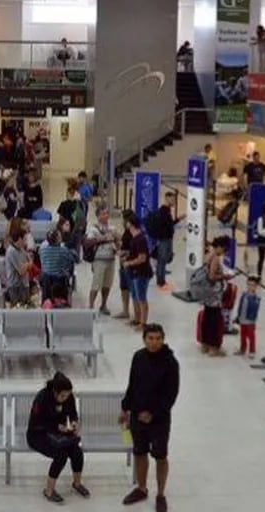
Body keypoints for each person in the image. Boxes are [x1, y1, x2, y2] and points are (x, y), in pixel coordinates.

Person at [120, 324, 180, 512]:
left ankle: (160, 494)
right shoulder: (138, 357)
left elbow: (171, 394)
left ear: (163, 339)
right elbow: (132, 384)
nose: (154, 342)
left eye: (157, 338)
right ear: (144, 339)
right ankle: (141, 488)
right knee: (139, 452)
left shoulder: (170, 362)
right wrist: (125, 407)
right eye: (150, 338)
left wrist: (153, 413)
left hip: (159, 419)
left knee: (160, 456)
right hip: (137, 416)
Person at [27, 372, 90, 503]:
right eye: (63, 395)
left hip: (58, 434)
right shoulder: (42, 398)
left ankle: (77, 484)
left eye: (68, 395)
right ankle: (49, 490)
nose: (66, 398)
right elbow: (36, 422)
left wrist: (74, 423)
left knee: (77, 452)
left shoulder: (68, 397)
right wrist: (57, 427)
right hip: (38, 435)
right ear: (55, 392)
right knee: (60, 455)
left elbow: (73, 413)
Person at [85, 205, 118, 314]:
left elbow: (118, 242)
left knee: (107, 284)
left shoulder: (112, 228)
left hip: (111, 259)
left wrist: (117, 239)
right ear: (98, 216)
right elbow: (88, 242)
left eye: (107, 213)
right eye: (103, 214)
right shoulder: (93, 228)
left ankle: (104, 305)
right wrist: (102, 238)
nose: (105, 216)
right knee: (96, 284)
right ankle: (90, 306)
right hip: (99, 259)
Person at [124, 215, 154, 329]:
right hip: (135, 272)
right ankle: (137, 319)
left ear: (130, 224)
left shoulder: (140, 239)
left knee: (141, 298)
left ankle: (143, 323)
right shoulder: (135, 238)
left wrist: (129, 263)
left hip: (141, 272)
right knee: (136, 296)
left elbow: (142, 258)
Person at [149, 192, 179, 291]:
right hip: (164, 239)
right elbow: (165, 226)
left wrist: (178, 220)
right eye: (172, 199)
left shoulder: (167, 211)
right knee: (161, 260)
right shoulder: (163, 212)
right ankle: (160, 281)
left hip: (167, 238)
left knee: (164, 259)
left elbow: (169, 224)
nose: (174, 201)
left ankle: (162, 280)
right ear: (167, 198)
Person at [40, 228, 78, 301]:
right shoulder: (63, 250)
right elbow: (74, 259)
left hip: (46, 279)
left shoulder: (43, 248)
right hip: (59, 279)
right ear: (57, 240)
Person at [5, 226, 33, 307]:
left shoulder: (22, 249)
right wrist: (27, 264)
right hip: (15, 287)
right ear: (19, 239)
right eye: (24, 239)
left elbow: (31, 263)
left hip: (24, 284)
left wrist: (26, 265)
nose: (26, 241)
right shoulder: (12, 251)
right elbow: (21, 271)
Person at [236, 276, 261, 357]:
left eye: (253, 285)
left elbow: (255, 309)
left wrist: (253, 319)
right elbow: (240, 306)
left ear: (256, 286)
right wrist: (238, 316)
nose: (250, 287)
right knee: (242, 335)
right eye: (249, 285)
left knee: (251, 336)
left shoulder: (256, 298)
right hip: (242, 319)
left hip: (250, 320)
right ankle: (242, 349)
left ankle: (252, 350)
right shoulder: (244, 294)